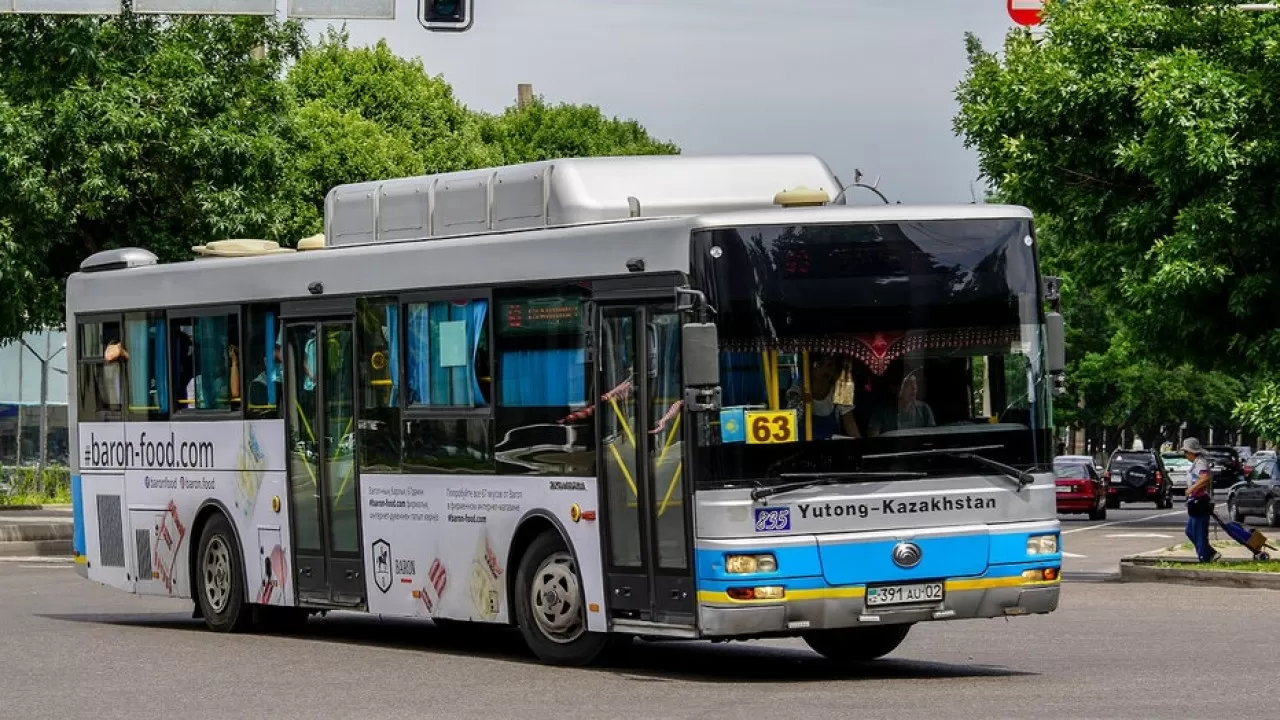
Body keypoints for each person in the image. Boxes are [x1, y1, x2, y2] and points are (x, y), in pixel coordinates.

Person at [784, 353, 861, 439]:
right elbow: (790, 424)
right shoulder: (797, 391)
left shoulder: (840, 389)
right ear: (814, 366)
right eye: (829, 365)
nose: (832, 371)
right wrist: (802, 402)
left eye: (834, 365)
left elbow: (850, 422)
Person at [1181, 437, 1221, 563]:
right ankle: (1210, 553)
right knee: (1190, 531)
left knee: (1199, 532)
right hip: (1195, 502)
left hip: (1201, 501)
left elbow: (1205, 478)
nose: (1185, 455)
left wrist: (1190, 489)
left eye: (1186, 452)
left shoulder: (1200, 463)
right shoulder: (1196, 463)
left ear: (1191, 452)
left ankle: (1204, 557)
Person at [867, 369, 936, 436]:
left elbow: (932, 437)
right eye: (908, 384)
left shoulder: (924, 409)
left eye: (915, 383)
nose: (914, 387)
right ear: (894, 389)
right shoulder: (882, 412)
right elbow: (873, 438)